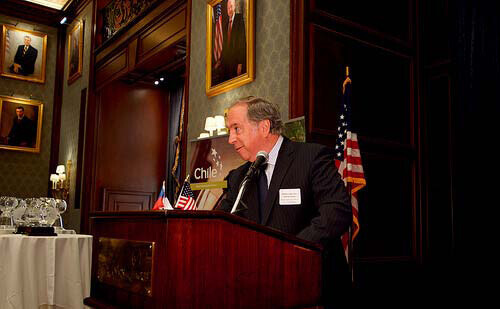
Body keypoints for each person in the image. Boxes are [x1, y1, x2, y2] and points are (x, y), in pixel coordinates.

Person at [217, 96, 352, 306]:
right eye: (229, 131)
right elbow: (222, 224)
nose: (230, 139)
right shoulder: (238, 177)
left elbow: (337, 211)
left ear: (264, 127)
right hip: (260, 291)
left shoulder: (311, 157)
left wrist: (291, 251)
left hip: (313, 288)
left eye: (236, 128)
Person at [220, 0, 246, 82]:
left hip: (236, 61)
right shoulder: (225, 25)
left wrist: (240, 63)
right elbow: (224, 45)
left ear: (234, 7)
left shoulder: (239, 19)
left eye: (231, 7)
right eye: (228, 8)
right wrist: (220, 60)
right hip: (227, 63)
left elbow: (242, 42)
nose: (229, 9)